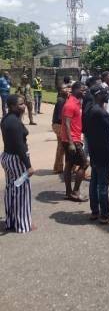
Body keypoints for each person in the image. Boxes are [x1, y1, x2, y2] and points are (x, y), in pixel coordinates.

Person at [85, 86, 109, 224]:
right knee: (103, 185)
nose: (107, 94)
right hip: (103, 151)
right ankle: (105, 215)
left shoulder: (89, 110)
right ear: (98, 95)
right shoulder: (100, 112)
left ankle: (95, 212)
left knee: (94, 182)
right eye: (105, 93)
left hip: (94, 150)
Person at [1, 94, 35, 232]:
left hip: (7, 157)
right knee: (22, 192)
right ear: (12, 106)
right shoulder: (14, 122)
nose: (24, 106)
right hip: (17, 160)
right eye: (20, 104)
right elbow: (19, 146)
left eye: (23, 103)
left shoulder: (7, 119)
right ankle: (23, 224)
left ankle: (11, 221)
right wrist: (28, 166)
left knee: (11, 189)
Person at [61, 81, 88, 202]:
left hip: (72, 138)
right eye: (82, 89)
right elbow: (66, 124)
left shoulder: (76, 102)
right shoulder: (70, 104)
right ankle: (75, 192)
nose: (84, 91)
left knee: (69, 164)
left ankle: (68, 193)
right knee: (84, 164)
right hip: (72, 140)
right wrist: (72, 143)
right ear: (75, 89)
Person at [52, 85, 69, 174]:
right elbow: (59, 117)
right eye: (65, 88)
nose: (67, 89)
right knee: (61, 146)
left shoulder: (64, 100)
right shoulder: (61, 101)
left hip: (59, 124)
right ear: (60, 91)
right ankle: (58, 167)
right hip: (58, 125)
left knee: (61, 146)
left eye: (68, 88)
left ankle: (58, 167)